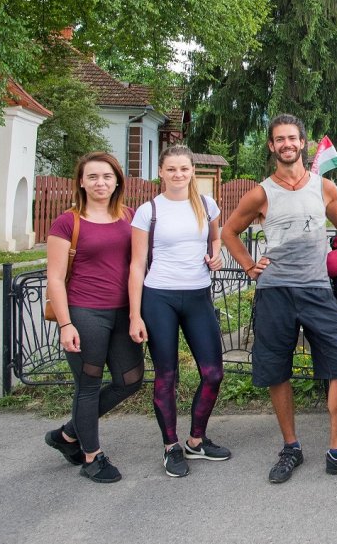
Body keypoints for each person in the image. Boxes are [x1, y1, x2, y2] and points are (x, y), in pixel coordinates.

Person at [220, 114, 337, 484]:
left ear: (303, 143)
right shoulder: (261, 193)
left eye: (293, 138)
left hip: (317, 290)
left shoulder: (324, 188)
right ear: (272, 147)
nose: (287, 144)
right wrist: (247, 266)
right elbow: (228, 230)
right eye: (279, 140)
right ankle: (291, 447)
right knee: (277, 371)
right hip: (275, 292)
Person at [128, 145, 228, 478]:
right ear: (161, 172)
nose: (178, 175)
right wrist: (135, 314)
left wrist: (218, 255)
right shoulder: (148, 211)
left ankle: (196, 441)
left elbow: (215, 241)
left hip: (198, 295)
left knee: (213, 373)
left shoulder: (205, 205)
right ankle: (171, 447)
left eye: (184, 169)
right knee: (166, 377)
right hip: (159, 298)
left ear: (192, 171)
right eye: (171, 169)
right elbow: (137, 263)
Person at [42, 152, 143, 483]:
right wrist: (66, 323)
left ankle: (69, 434)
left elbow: (140, 263)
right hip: (84, 313)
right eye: (94, 177)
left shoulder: (129, 217)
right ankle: (91, 456)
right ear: (81, 182)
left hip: (122, 312)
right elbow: (55, 278)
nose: (101, 183)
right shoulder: (67, 222)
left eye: (107, 177)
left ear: (117, 181)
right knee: (88, 384)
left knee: (130, 380)